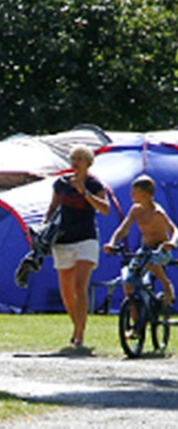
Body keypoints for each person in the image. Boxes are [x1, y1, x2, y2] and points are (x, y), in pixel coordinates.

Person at [46, 145, 110, 349]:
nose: (75, 162)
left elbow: (105, 209)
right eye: (73, 158)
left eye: (80, 159)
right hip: (63, 239)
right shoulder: (61, 183)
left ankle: (80, 334)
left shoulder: (94, 183)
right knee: (66, 292)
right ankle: (77, 326)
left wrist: (85, 193)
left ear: (88, 163)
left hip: (86, 238)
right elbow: (52, 208)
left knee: (79, 286)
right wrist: (44, 231)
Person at [103, 174, 178, 306]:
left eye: (134, 193)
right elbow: (123, 229)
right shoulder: (136, 210)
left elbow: (175, 231)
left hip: (160, 250)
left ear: (144, 195)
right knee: (128, 281)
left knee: (150, 261)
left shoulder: (157, 213)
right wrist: (112, 243)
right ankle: (134, 315)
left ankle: (166, 284)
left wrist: (172, 242)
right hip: (144, 250)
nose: (131, 195)